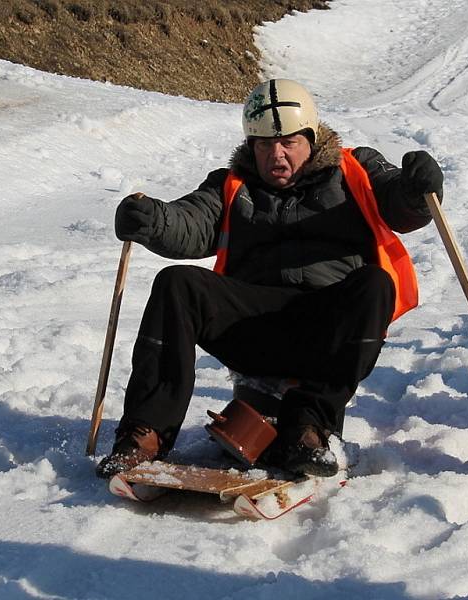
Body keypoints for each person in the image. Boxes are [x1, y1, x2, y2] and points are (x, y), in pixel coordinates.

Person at [96, 79, 443, 479]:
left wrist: (416, 190)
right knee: (177, 283)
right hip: (251, 327)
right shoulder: (231, 185)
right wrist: (153, 221)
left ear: (312, 138)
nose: (275, 154)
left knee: (375, 283)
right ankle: (146, 434)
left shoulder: (355, 169)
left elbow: (401, 204)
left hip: (327, 331)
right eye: (263, 144)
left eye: (288, 143)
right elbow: (189, 222)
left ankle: (308, 428)